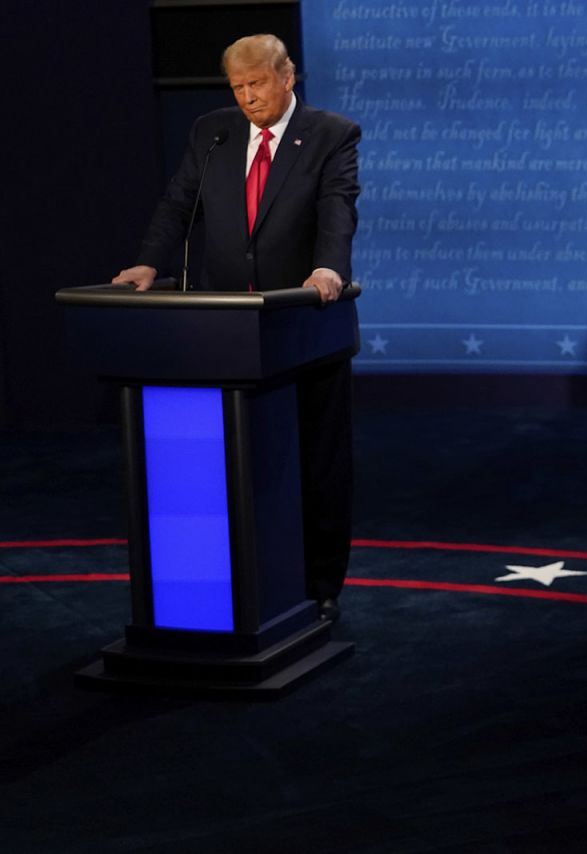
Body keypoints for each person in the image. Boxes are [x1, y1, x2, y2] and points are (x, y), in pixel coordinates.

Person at [114, 34, 361, 623]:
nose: (249, 97)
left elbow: (338, 205)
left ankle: (322, 584)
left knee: (316, 461)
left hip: (303, 325)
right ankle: (238, 580)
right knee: (228, 464)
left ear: (288, 76)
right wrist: (152, 260)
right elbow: (178, 203)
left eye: (258, 83)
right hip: (221, 331)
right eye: (239, 86)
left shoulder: (331, 134)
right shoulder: (213, 132)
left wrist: (330, 267)